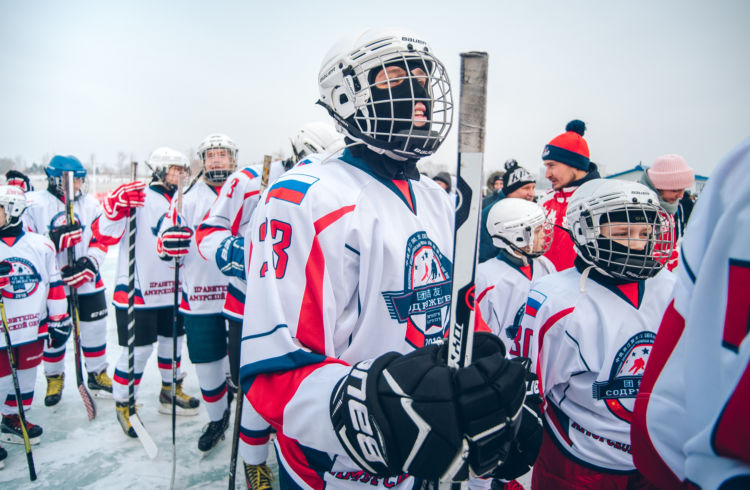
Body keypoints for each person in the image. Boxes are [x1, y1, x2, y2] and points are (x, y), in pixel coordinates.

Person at [239, 28, 536, 489]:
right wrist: (382, 411)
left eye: (421, 77)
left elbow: (460, 314)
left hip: (431, 463)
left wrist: (483, 393)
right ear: (345, 96)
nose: (418, 92)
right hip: (340, 471)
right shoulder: (305, 198)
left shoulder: (438, 200)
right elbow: (275, 372)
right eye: (396, 76)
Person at [195, 124, 342, 488]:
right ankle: (253, 462)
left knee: (295, 389)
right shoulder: (247, 179)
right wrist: (235, 253)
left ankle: (283, 452)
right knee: (256, 389)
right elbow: (208, 232)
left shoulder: (332, 183)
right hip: (248, 303)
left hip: (302, 306)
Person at [520, 178, 675, 489]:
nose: (636, 244)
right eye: (620, 233)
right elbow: (533, 389)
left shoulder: (672, 287)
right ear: (582, 230)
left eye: (645, 234)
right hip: (581, 459)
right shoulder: (554, 298)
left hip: (658, 455)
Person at [631, 138, 750, 489]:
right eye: (672, 190)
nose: (677, 196)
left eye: (681, 190)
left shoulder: (693, 202)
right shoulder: (735, 178)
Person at [92, 147, 200, 438]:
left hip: (174, 290)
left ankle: (170, 390)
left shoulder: (185, 200)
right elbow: (103, 233)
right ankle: (124, 403)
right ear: (160, 170)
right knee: (137, 353)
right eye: (175, 169)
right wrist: (114, 206)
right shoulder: (137, 197)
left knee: (173, 345)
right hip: (137, 291)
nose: (181, 175)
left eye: (183, 170)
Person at [159, 134, 237, 453]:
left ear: (233, 159)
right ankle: (217, 419)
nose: (217, 160)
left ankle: (255, 422)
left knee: (246, 366)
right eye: (211, 155)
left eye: (223, 155)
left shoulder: (248, 193)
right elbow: (164, 241)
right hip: (200, 298)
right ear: (202, 161)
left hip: (241, 297)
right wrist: (168, 244)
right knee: (207, 365)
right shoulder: (186, 199)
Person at [22, 155, 112, 406]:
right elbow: (25, 243)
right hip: (54, 285)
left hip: (87, 280)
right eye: (72, 180)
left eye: (80, 180)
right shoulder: (34, 204)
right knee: (56, 330)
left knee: (95, 328)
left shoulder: (91, 204)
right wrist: (50, 240)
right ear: (55, 180)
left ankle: (96, 373)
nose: (77, 185)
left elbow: (102, 239)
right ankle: (54, 376)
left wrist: (90, 263)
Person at [0, 185, 70, 456]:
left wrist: (59, 318)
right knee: (3, 379)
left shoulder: (40, 244)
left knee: (28, 376)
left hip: (31, 327)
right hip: (3, 329)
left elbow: (53, 284)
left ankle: (13, 418)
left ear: (15, 210)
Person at [475, 198, 555, 356]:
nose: (544, 235)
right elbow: (480, 337)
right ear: (516, 236)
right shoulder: (485, 277)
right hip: (504, 367)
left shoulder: (545, 265)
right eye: (537, 231)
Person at [539, 120, 600, 270]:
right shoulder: (545, 201)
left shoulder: (600, 201)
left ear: (574, 164)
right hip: (543, 289)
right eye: (546, 166)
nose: (547, 174)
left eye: (552, 165)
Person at [638, 154, 695, 270]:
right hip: (647, 276)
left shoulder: (667, 206)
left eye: (683, 189)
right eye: (675, 190)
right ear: (657, 186)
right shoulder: (641, 209)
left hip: (664, 272)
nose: (681, 195)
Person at [478, 160, 537, 263]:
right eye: (526, 188)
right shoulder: (491, 214)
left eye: (533, 188)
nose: (532, 193)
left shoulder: (532, 211)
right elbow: (485, 254)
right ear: (510, 190)